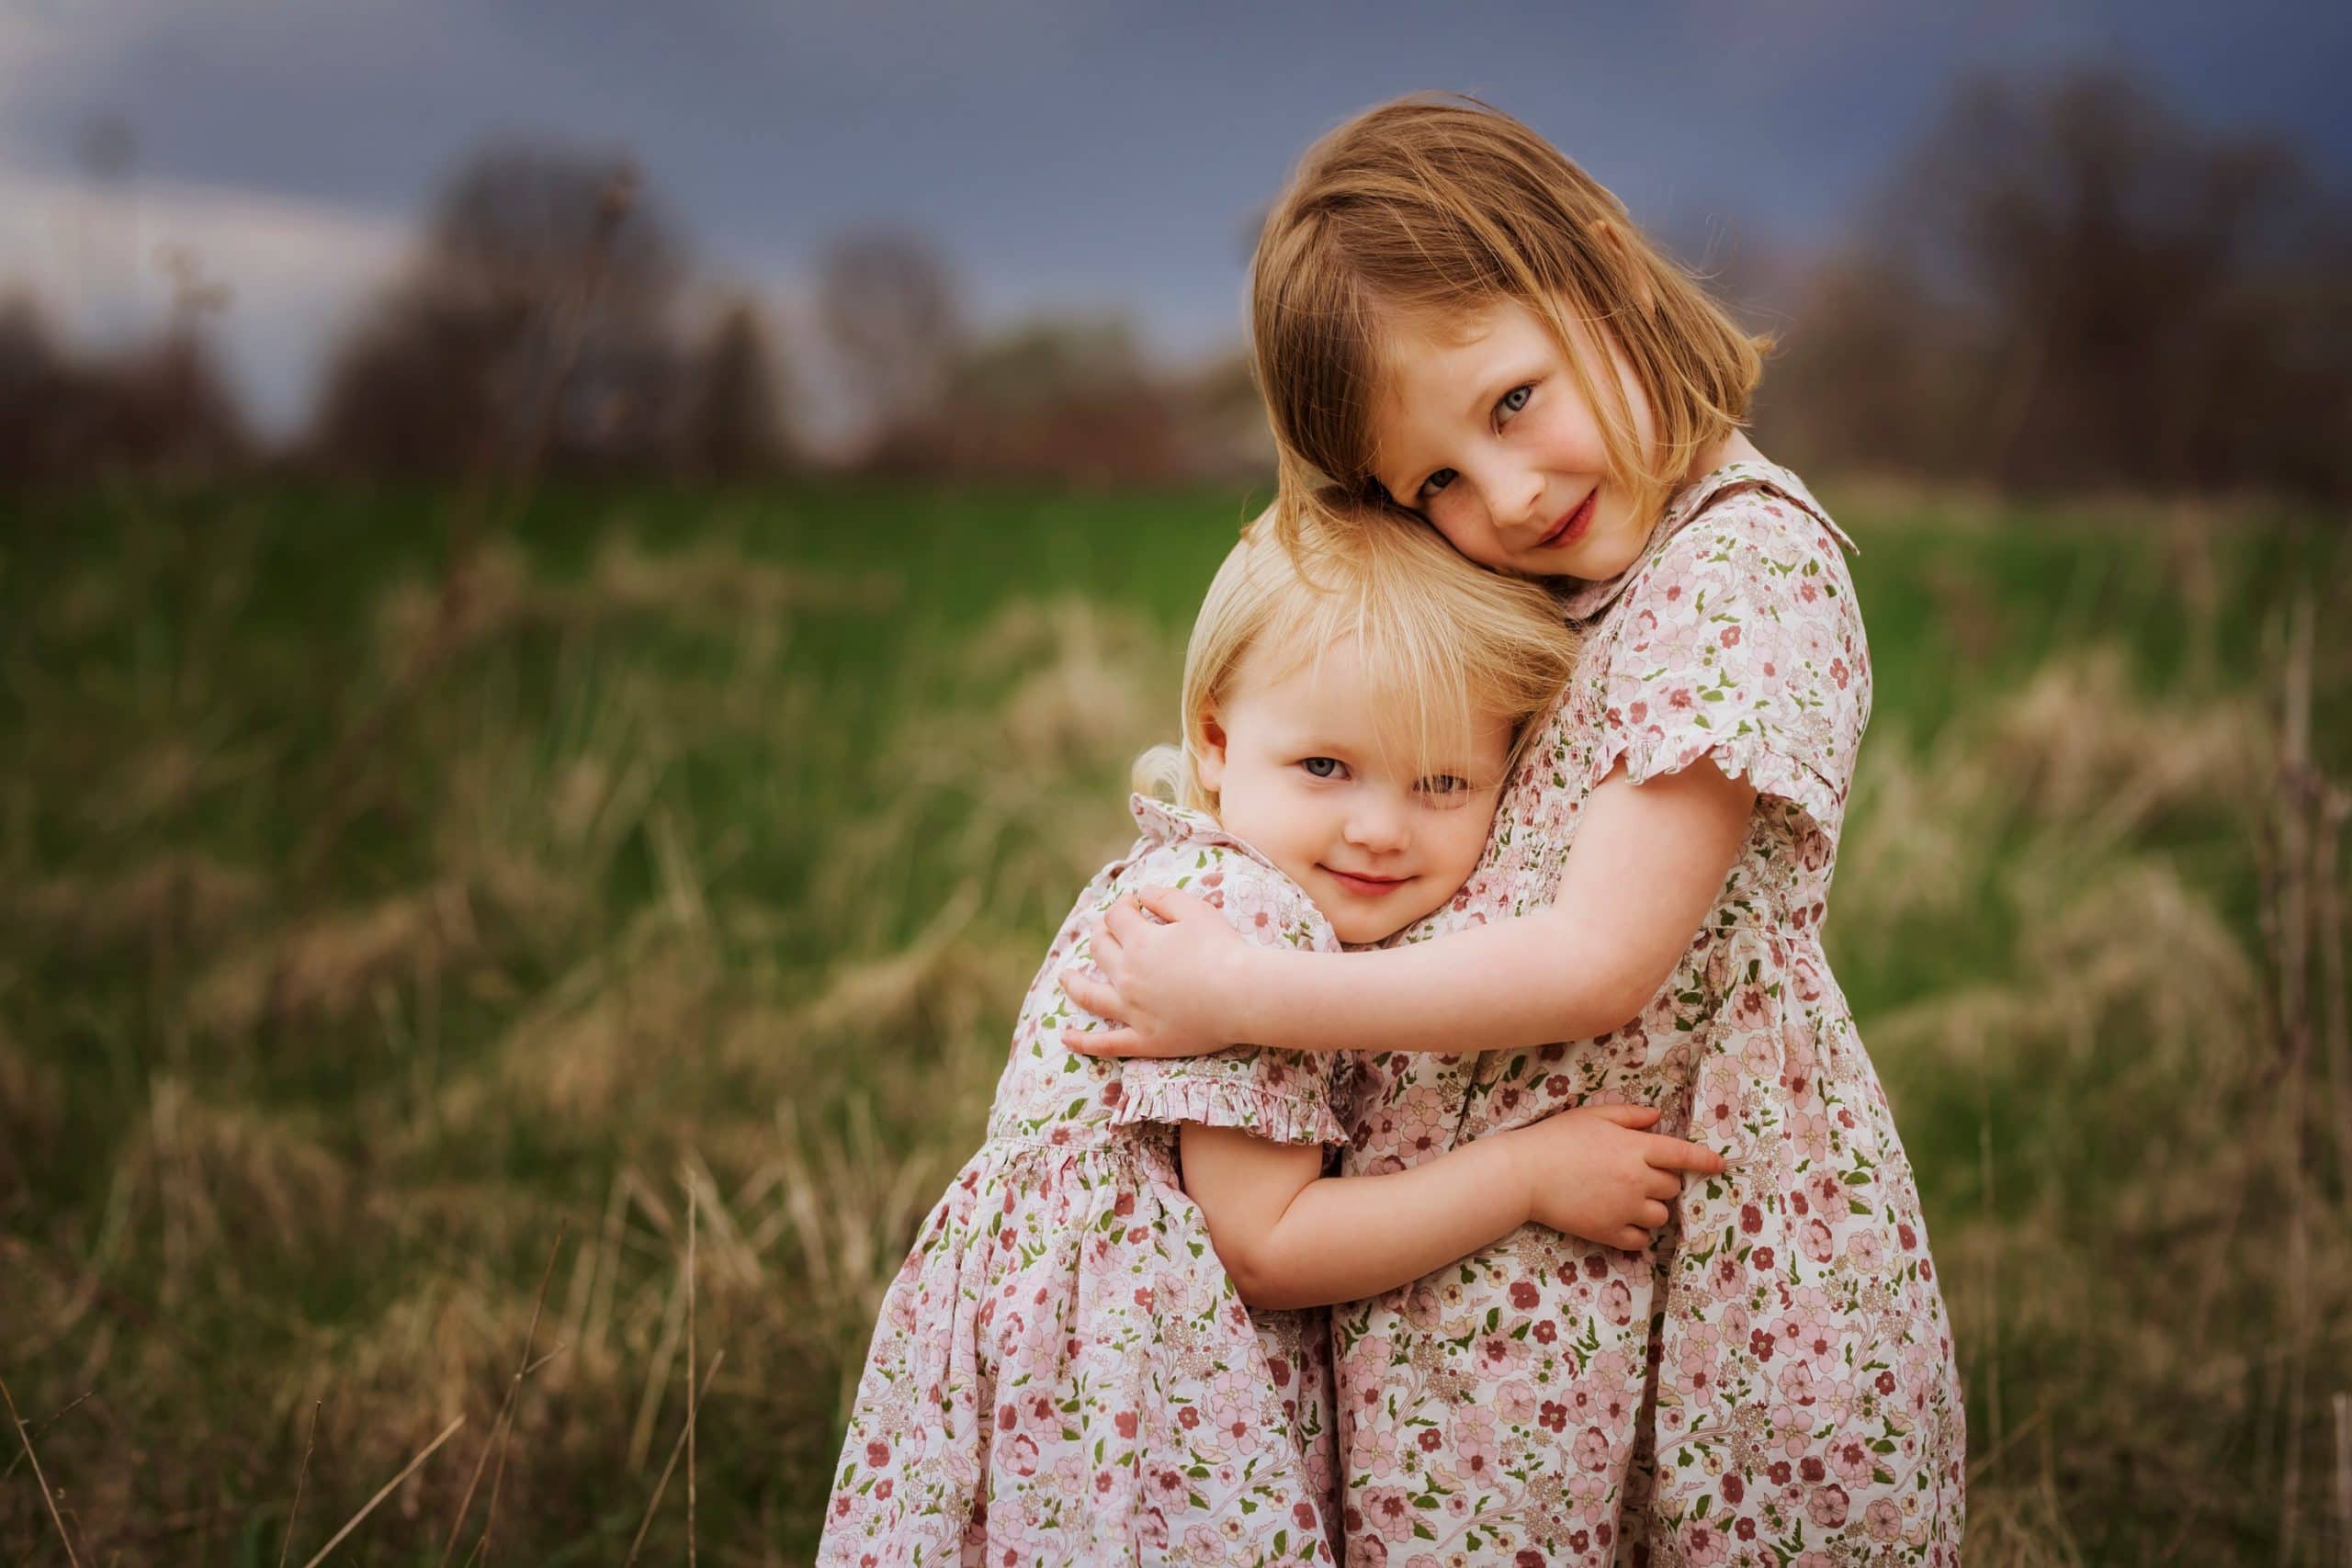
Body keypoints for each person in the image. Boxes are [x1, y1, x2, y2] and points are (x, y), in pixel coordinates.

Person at [1066, 96, 1965, 1564]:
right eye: (1432, 482)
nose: (1508, 495)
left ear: (1602, 272)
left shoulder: (1739, 567)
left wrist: (1252, 995)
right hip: (1491, 1299)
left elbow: (1602, 957)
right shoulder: (1539, 579)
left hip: (1690, 1253)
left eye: (1509, 402)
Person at [819, 498, 1725, 1566]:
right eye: (1326, 769)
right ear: (1214, 737)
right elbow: (1266, 1245)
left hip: (1064, 1380)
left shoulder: (1197, 875)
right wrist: (1525, 1176)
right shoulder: (1247, 924)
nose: (1380, 829)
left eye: (1442, 783)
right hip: (1133, 1403)